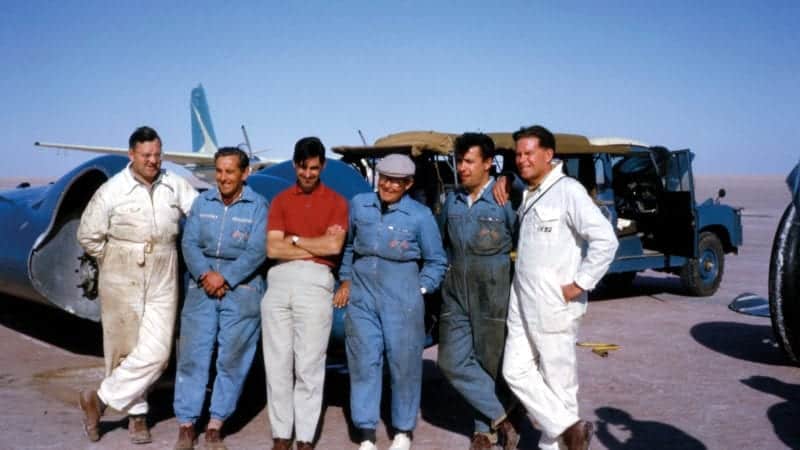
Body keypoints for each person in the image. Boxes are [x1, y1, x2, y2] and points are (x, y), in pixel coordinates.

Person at [497, 125, 618, 450]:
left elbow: (606, 239)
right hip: (521, 303)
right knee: (515, 371)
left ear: (548, 155)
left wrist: (579, 283)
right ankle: (571, 428)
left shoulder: (568, 191)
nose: (522, 160)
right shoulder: (531, 192)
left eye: (529, 153)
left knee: (558, 384)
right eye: (518, 154)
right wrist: (505, 176)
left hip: (554, 305)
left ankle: (557, 443)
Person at [76, 126, 197, 443]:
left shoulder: (174, 184)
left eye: (158, 155)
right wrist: (112, 258)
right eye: (146, 155)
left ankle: (99, 399)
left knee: (158, 351)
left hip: (163, 264)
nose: (153, 161)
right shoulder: (112, 190)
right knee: (123, 348)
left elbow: (198, 212)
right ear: (131, 155)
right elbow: (88, 234)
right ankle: (137, 417)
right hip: (121, 268)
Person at [334, 153, 448, 450]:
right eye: (383, 178)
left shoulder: (420, 216)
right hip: (363, 298)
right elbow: (348, 248)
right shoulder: (360, 205)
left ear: (408, 184)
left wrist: (420, 290)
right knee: (363, 363)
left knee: (404, 365)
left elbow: (436, 262)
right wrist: (346, 277)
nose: (387, 185)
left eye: (395, 182)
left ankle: (402, 430)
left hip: (403, 301)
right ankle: (367, 431)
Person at [172, 147, 268, 450]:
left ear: (244, 173)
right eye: (219, 171)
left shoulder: (258, 206)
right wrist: (205, 274)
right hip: (202, 286)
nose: (223, 178)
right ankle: (187, 424)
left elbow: (258, 249)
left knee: (233, 358)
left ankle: (215, 425)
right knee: (192, 356)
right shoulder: (203, 203)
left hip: (242, 288)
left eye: (230, 172)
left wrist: (226, 277)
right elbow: (189, 243)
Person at [261, 137, 348, 450]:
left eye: (314, 168)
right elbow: (272, 248)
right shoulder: (281, 200)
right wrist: (312, 242)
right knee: (277, 363)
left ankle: (305, 437)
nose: (308, 174)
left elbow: (334, 247)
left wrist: (293, 240)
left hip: (316, 282)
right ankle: (281, 434)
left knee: (309, 364)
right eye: (302, 167)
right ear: (295, 164)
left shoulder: (337, 202)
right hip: (279, 281)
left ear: (322, 165)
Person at [436, 133, 519, 450]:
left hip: (494, 288)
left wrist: (508, 177)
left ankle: (483, 431)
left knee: (490, 362)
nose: (462, 168)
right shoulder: (453, 200)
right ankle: (503, 416)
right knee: (451, 361)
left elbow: (525, 240)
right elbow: (441, 243)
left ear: (488, 164)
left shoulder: (505, 199)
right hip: (456, 290)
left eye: (469, 161)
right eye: (459, 161)